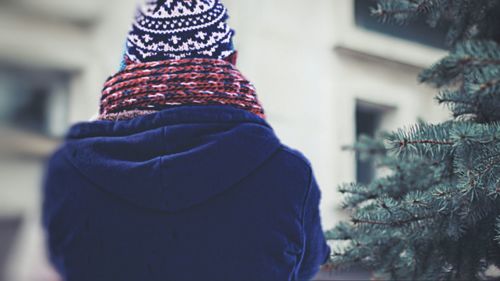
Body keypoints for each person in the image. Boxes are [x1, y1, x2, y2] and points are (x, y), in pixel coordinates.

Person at [41, 0, 331, 280]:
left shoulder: (68, 169)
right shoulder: (289, 174)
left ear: (128, 63)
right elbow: (306, 267)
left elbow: (62, 262)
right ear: (231, 60)